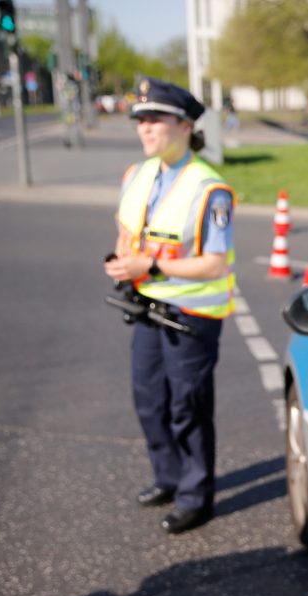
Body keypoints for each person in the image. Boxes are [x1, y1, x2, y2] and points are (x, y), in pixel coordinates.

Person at [103, 77, 236, 534]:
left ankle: (196, 497)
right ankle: (169, 477)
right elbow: (131, 232)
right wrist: (125, 263)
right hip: (147, 306)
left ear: (183, 126)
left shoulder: (209, 189)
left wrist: (152, 266)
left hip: (191, 317)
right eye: (140, 120)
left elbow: (215, 264)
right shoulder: (136, 175)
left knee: (188, 407)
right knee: (149, 401)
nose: (144, 128)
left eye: (154, 119)